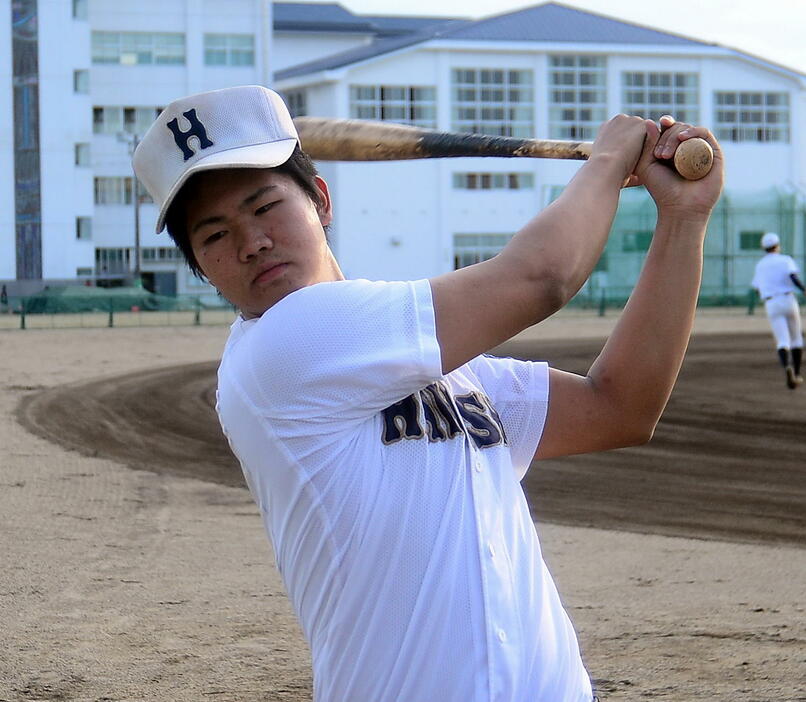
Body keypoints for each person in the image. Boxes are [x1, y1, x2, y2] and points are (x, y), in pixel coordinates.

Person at [133, 85, 723, 702]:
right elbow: (541, 276)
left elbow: (618, 408)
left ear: (321, 200)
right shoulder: (282, 346)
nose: (250, 242)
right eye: (214, 236)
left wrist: (683, 220)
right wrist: (608, 162)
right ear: (201, 268)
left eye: (264, 206)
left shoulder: (425, 360)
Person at [751, 231, 805, 389]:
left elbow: (756, 288)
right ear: (777, 245)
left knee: (782, 341)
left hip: (771, 303)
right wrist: (804, 290)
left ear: (764, 248)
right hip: (788, 299)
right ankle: (797, 373)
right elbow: (794, 278)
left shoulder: (760, 265)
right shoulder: (785, 259)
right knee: (796, 339)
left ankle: (786, 367)